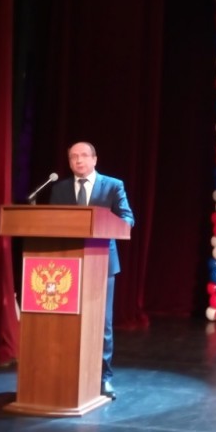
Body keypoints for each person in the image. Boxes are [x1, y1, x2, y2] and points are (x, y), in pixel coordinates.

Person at [49, 141, 134, 400]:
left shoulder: (113, 185)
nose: (79, 160)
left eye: (84, 155)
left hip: (102, 264)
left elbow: (127, 219)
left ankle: (103, 377)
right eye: (73, 157)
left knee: (102, 324)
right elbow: (51, 223)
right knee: (68, 322)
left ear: (94, 159)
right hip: (66, 266)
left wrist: (106, 226)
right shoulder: (60, 189)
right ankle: (68, 374)